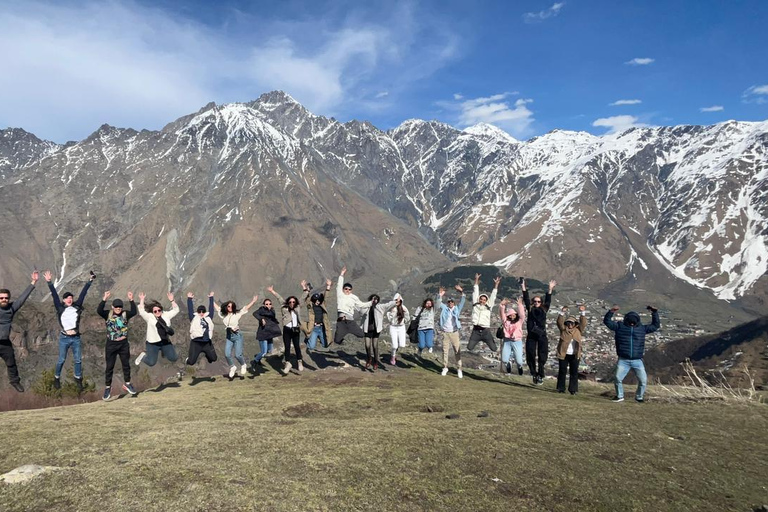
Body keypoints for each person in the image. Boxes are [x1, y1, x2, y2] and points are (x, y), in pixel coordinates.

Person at [44, 269, 94, 391]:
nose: (70, 299)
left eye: (71, 297)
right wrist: (49, 282)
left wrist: (90, 281)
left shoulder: (77, 306)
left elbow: (83, 293)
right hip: (64, 338)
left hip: (76, 337)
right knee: (61, 359)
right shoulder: (60, 308)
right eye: (67, 298)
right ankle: (56, 378)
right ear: (64, 300)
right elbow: (54, 295)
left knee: (78, 359)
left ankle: (78, 379)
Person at [604, 305, 660, 403]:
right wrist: (611, 312)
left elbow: (655, 326)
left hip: (637, 360)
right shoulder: (620, 327)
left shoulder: (641, 329)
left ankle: (639, 397)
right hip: (624, 359)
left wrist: (654, 313)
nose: (632, 323)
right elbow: (607, 322)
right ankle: (620, 396)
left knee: (643, 381)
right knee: (618, 378)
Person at [0, 271, 38, 392]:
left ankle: (15, 382)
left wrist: (33, 282)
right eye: (1, 298)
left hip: (4, 343)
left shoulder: (11, 308)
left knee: (11, 362)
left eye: (6, 298)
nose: (4, 299)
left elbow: (22, 298)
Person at [96, 290, 139, 400]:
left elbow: (134, 311)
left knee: (126, 364)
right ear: (113, 306)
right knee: (109, 366)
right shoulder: (108, 314)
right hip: (111, 344)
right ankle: (107, 387)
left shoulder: (125, 314)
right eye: (116, 307)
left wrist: (131, 299)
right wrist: (104, 298)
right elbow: (99, 310)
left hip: (123, 344)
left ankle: (128, 383)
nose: (118, 309)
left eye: (120, 307)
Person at [135, 292, 181, 378]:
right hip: (153, 343)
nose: (157, 312)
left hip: (165, 342)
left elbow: (176, 310)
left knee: (173, 358)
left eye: (159, 310)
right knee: (151, 362)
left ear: (161, 310)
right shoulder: (149, 317)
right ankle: (142, 356)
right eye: (155, 311)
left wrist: (172, 300)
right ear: (152, 312)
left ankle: (168, 350)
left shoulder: (166, 315)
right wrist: (141, 300)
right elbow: (141, 311)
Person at [522, 278, 556, 385]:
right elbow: (526, 298)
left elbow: (548, 300)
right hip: (531, 335)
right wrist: (523, 287)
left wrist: (550, 289)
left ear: (541, 303)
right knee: (530, 354)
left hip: (542, 335)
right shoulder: (530, 309)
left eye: (538, 301)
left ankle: (541, 374)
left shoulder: (544, 309)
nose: (536, 302)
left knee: (543, 354)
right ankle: (534, 373)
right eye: (535, 301)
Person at [217, 295, 258, 379]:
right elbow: (217, 308)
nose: (230, 308)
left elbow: (245, 309)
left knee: (238, 355)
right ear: (226, 307)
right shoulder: (223, 315)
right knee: (227, 354)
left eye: (232, 306)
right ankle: (232, 367)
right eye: (229, 306)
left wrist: (253, 301)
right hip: (229, 336)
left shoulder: (237, 314)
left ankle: (243, 365)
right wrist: (211, 299)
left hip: (237, 336)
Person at [268, 285, 304, 374]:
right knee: (287, 347)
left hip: (295, 329)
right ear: (288, 302)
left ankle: (299, 361)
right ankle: (287, 363)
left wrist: (304, 288)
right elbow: (279, 298)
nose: (292, 303)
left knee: (297, 346)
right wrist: (272, 291)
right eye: (290, 302)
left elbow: (303, 297)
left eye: (293, 302)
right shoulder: (284, 307)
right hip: (287, 329)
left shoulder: (297, 307)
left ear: (295, 302)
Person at [333, 266, 373, 345]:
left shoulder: (354, 297)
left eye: (349, 289)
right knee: (337, 340)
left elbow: (362, 305)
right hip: (341, 321)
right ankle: (343, 338)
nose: (347, 290)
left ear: (351, 290)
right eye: (346, 289)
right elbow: (339, 285)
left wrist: (371, 303)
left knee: (361, 335)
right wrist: (341, 274)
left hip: (350, 321)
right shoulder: (340, 295)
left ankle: (351, 333)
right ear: (343, 289)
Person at [358, 293, 397, 370]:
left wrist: (395, 301)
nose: (374, 300)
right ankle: (369, 359)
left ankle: (375, 362)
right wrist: (369, 304)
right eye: (373, 298)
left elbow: (388, 305)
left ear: (378, 300)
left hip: (376, 330)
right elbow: (360, 311)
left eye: (376, 299)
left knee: (375, 346)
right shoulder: (366, 307)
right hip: (367, 329)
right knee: (367, 345)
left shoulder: (380, 307)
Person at [556, 305, 587, 395]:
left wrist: (582, 312)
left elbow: (583, 323)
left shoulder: (578, 330)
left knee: (574, 372)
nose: (570, 324)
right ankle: (561, 388)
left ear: (575, 324)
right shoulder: (563, 330)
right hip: (563, 354)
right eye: (568, 322)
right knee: (562, 371)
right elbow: (559, 322)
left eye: (572, 323)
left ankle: (573, 389)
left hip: (575, 354)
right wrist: (562, 312)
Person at [436, 285, 465, 378]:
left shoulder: (457, 309)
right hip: (445, 332)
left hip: (454, 332)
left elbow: (463, 301)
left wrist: (461, 291)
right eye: (449, 302)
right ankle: (445, 367)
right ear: (447, 302)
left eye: (452, 302)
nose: (450, 303)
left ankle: (459, 369)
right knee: (445, 351)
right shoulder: (444, 308)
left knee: (457, 350)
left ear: (454, 303)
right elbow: (438, 303)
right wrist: (440, 295)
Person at [185, 292, 219, 371]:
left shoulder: (208, 318)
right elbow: (190, 309)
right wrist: (189, 299)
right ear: (197, 312)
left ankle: (207, 355)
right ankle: (188, 359)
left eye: (203, 311)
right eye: (199, 311)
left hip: (207, 342)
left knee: (214, 358)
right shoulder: (193, 318)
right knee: (191, 362)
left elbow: (211, 309)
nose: (201, 313)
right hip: (196, 343)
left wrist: (211, 298)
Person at [467, 274, 501, 353]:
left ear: (486, 301)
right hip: (476, 330)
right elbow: (475, 291)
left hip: (486, 331)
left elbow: (493, 296)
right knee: (469, 347)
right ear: (479, 299)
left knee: (494, 349)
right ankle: (479, 340)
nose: (482, 301)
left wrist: (496, 285)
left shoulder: (489, 307)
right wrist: (476, 280)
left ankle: (489, 340)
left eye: (484, 300)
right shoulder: (475, 305)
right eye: (481, 299)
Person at [250, 297, 282, 373]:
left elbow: (272, 320)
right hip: (263, 334)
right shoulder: (262, 310)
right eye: (266, 304)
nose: (268, 305)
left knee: (269, 351)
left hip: (269, 334)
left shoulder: (272, 311)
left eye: (270, 304)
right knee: (264, 352)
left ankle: (258, 359)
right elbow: (254, 313)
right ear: (264, 305)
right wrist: (261, 319)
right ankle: (254, 362)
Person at [301, 279, 332, 354]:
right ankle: (308, 339)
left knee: (326, 344)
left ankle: (316, 338)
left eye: (318, 300)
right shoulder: (310, 307)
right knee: (311, 347)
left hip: (321, 328)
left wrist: (328, 286)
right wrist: (304, 288)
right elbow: (307, 299)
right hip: (314, 328)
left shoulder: (323, 305)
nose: (317, 302)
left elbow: (326, 297)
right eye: (315, 300)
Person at [499, 297, 526, 376]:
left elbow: (522, 315)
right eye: (510, 315)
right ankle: (508, 364)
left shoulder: (519, 321)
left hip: (517, 341)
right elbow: (502, 314)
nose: (512, 316)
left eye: (513, 314)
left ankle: (520, 366)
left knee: (519, 360)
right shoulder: (505, 321)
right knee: (504, 359)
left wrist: (520, 305)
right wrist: (502, 305)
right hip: (507, 341)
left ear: (516, 314)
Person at [386, 294, 409, 365]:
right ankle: (393, 356)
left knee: (402, 345)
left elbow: (407, 318)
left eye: (399, 300)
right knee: (394, 345)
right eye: (396, 300)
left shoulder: (404, 308)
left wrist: (403, 321)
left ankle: (395, 350)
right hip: (393, 327)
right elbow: (389, 318)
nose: (397, 301)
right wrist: (392, 314)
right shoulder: (391, 308)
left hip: (401, 327)